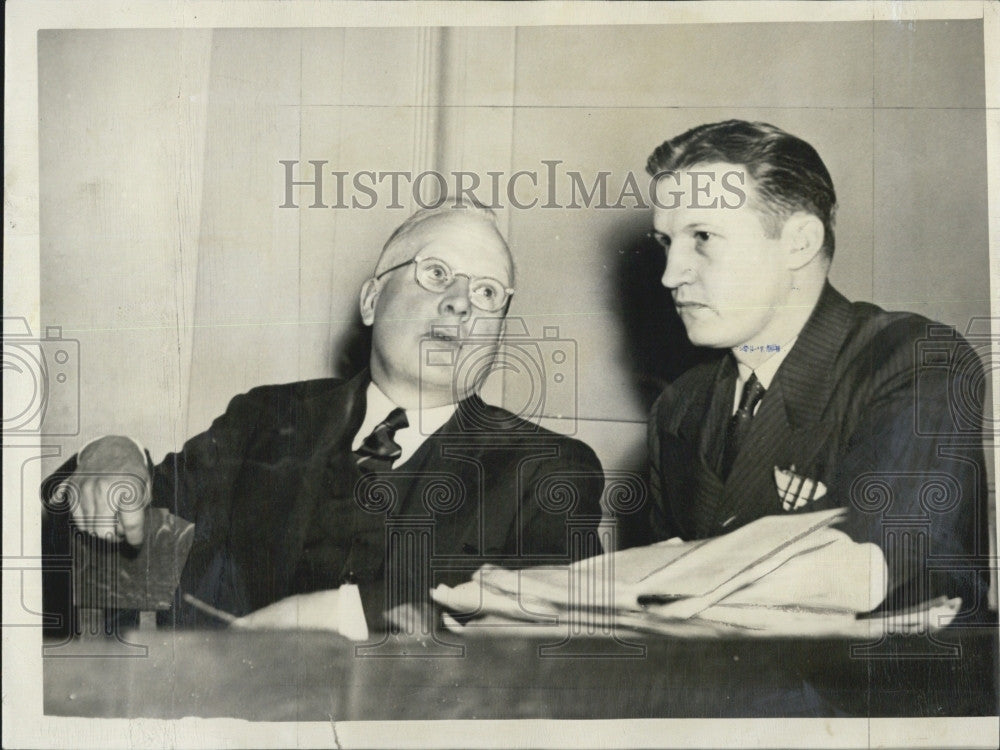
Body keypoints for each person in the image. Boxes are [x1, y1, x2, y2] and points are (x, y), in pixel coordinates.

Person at [48, 202, 604, 637]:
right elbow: (116, 534)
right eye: (436, 273)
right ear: (370, 300)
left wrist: (342, 614)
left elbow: (548, 616)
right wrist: (106, 456)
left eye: (487, 293)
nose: (461, 303)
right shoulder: (266, 419)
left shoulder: (546, 469)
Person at [640, 120, 991, 617]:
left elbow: (861, 569)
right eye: (664, 242)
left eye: (702, 237)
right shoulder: (680, 407)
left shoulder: (913, 359)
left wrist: (644, 578)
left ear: (799, 243)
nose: (671, 274)